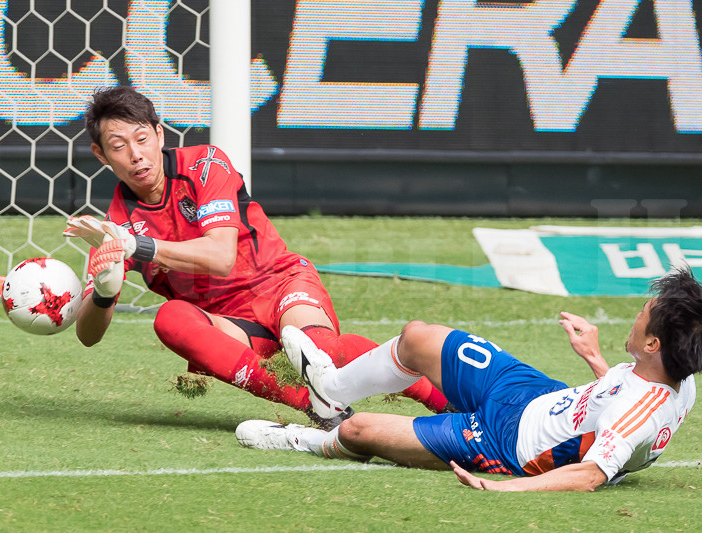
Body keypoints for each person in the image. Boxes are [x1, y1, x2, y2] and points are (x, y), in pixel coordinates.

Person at [63, 86, 448, 426]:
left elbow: (220, 256)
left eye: (142, 138)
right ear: (100, 154)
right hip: (232, 325)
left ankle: (448, 401)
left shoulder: (204, 164)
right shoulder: (118, 222)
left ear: (160, 134)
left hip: (281, 283)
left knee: (319, 351)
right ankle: (314, 407)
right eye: (118, 146)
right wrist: (103, 290)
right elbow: (88, 336)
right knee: (170, 318)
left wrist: (136, 246)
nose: (136, 155)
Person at [236, 268, 702, 491]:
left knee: (359, 431)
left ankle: (302, 440)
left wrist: (503, 487)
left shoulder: (641, 410)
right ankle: (330, 392)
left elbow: (591, 474)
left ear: (653, 344)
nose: (638, 314)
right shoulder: (678, 380)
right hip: (538, 396)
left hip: (506, 445)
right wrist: (597, 360)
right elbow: (619, 407)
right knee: (419, 337)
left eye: (645, 312)